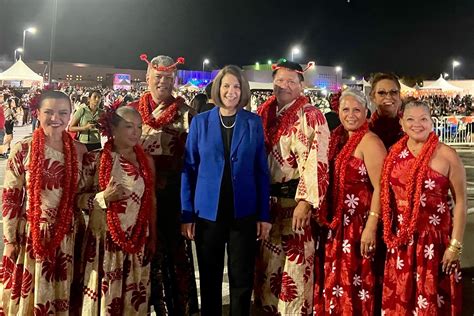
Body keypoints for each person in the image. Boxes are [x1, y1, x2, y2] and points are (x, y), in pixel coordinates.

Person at [181, 65, 271, 315]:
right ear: (218, 89)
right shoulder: (200, 122)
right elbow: (189, 169)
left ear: (243, 91)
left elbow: (261, 171)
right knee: (209, 278)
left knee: (241, 279)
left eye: (236, 86)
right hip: (208, 213)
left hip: (243, 212)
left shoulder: (253, 123)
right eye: (226, 86)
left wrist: (264, 215)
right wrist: (187, 213)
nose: (231, 91)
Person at [0, 90, 87, 315]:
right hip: (31, 234)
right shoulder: (23, 149)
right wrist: (9, 239)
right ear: (37, 113)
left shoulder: (80, 151)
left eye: (62, 112)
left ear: (70, 116)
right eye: (48, 112)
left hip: (70, 233)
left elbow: (86, 194)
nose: (55, 118)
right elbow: (11, 196)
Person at [254, 59, 330, 314]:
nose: (284, 86)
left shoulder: (311, 115)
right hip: (267, 206)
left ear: (301, 84)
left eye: (290, 81)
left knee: (294, 275)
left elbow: (316, 159)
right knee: (267, 272)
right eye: (279, 81)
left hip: (295, 204)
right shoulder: (265, 113)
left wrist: (306, 201)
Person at [380, 100, 466, 314]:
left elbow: (461, 202)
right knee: (402, 301)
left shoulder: (447, 155)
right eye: (410, 119)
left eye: (423, 119)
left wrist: (454, 246)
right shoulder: (393, 154)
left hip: (435, 244)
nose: (416, 124)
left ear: (432, 122)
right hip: (401, 243)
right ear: (401, 123)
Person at [130, 54, 198, 315]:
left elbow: (195, 162)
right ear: (147, 78)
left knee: (173, 257)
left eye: (168, 78)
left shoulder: (186, 114)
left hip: (171, 198)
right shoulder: (131, 110)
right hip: (136, 199)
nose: (163, 82)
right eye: (158, 77)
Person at [77, 105, 157, 315]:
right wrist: (103, 197)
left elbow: (151, 201)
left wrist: (152, 236)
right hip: (104, 243)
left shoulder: (146, 161)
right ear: (113, 129)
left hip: (137, 240)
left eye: (139, 127)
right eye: (128, 127)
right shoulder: (94, 160)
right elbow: (77, 200)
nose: (136, 132)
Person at [313, 89, 387, 314]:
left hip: (358, 228)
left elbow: (381, 188)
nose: (351, 115)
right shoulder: (337, 139)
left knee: (356, 281)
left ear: (367, 112)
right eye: (346, 109)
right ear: (338, 111)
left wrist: (371, 226)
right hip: (335, 227)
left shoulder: (370, 142)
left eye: (357, 110)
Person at [369, 73, 404, 149]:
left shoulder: (410, 127)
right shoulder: (366, 129)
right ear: (373, 97)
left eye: (393, 92)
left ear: (399, 96)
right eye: (381, 93)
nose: (388, 97)